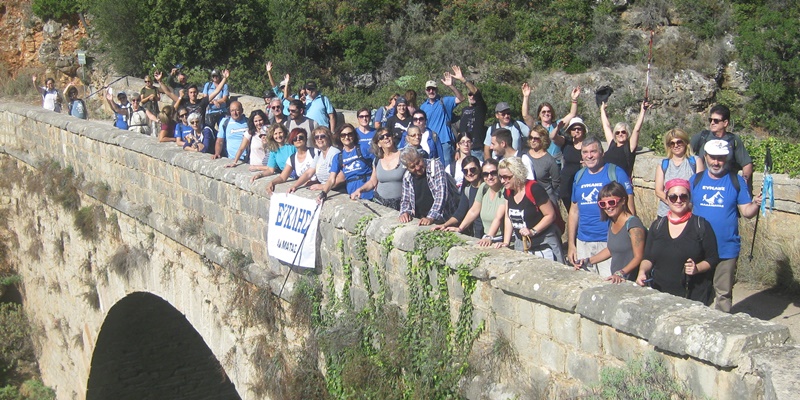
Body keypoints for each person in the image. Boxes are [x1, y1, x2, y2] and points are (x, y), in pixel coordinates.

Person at [691, 139, 761, 312]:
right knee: (698, 292)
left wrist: (757, 203)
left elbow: (746, 211)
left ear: (727, 158)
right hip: (699, 246)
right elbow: (685, 208)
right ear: (705, 157)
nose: (716, 162)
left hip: (726, 246)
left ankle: (721, 330)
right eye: (713, 157)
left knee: (723, 293)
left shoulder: (736, 181)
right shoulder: (695, 180)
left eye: (720, 158)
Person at [637, 179, 719, 305]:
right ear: (667, 199)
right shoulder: (657, 226)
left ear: (689, 198)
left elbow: (712, 258)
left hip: (692, 297)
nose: (678, 200)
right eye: (673, 197)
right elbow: (648, 257)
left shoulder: (701, 225)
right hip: (660, 295)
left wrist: (697, 268)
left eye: (683, 196)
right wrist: (642, 272)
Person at [567, 137, 635, 278]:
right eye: (585, 152)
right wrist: (571, 244)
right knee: (585, 284)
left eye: (593, 151)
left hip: (608, 242)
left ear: (601, 153)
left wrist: (630, 239)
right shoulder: (579, 176)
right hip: (583, 241)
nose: (589, 156)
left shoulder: (616, 173)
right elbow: (574, 211)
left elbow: (630, 208)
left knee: (609, 284)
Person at [481, 157, 564, 263]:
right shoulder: (508, 191)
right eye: (501, 177)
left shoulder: (534, 189)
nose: (502, 181)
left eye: (506, 177)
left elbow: (550, 215)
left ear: (517, 174)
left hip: (543, 243)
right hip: (521, 244)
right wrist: (506, 242)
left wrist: (533, 231)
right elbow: (508, 217)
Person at [578, 182, 645, 283]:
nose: (608, 207)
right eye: (603, 204)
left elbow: (638, 256)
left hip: (631, 280)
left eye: (612, 202)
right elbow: (611, 249)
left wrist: (620, 273)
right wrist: (587, 261)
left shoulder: (633, 225)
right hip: (617, 280)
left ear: (623, 201)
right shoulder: (612, 221)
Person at [690, 104, 754, 194]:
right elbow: (686, 154)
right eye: (710, 120)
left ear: (725, 123)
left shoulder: (733, 140)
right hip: (703, 185)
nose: (712, 123)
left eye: (716, 121)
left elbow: (747, 164)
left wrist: (743, 183)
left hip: (725, 187)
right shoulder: (702, 136)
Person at [441, 158, 504, 240]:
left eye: (493, 173)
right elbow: (473, 211)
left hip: (499, 238)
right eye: (485, 174)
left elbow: (498, 217)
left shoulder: (505, 190)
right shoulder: (482, 187)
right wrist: (458, 228)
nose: (489, 177)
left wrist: (489, 237)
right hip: (485, 236)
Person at [522, 83, 581, 168]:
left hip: (556, 164)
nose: (546, 114)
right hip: (539, 164)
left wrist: (574, 99)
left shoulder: (558, 124)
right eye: (543, 112)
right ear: (539, 114)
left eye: (548, 111)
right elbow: (525, 115)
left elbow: (572, 114)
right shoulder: (536, 127)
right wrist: (526, 97)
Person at [419, 65, 467, 167]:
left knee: (447, 168)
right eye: (429, 89)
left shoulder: (444, 101)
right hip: (430, 141)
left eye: (433, 89)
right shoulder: (423, 107)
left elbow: (461, 98)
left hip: (445, 141)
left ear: (436, 90)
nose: (431, 91)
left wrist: (451, 86)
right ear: (426, 91)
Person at [398, 147, 459, 226]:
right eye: (412, 167)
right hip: (420, 218)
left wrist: (431, 217)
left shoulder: (435, 166)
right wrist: (404, 212)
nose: (417, 168)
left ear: (421, 157)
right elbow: (405, 199)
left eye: (418, 162)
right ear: (407, 168)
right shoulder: (407, 177)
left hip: (443, 218)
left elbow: (441, 194)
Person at [351, 128, 405, 210]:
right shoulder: (377, 160)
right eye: (381, 137)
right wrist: (360, 190)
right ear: (378, 144)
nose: (386, 137)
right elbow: (372, 182)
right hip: (380, 203)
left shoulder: (404, 156)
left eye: (388, 135)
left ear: (392, 138)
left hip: (401, 205)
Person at [655, 128, 704, 217]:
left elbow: (699, 188)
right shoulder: (663, 164)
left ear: (685, 143)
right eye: (672, 143)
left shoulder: (695, 162)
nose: (676, 145)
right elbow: (658, 191)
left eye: (679, 142)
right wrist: (674, 204)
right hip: (665, 214)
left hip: (688, 213)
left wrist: (685, 206)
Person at [318, 124, 374, 201]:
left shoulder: (363, 148)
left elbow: (377, 164)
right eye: (343, 135)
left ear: (354, 135)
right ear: (339, 137)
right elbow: (331, 179)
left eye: (349, 134)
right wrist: (323, 193)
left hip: (369, 193)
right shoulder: (338, 157)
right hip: (352, 194)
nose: (346, 137)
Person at [600, 100, 648, 178]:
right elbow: (606, 126)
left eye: (623, 132)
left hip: (621, 184)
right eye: (617, 132)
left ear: (627, 133)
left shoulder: (629, 147)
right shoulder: (612, 144)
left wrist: (643, 110)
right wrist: (602, 110)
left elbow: (637, 129)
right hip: (606, 181)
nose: (620, 134)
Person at [553, 117, 589, 212]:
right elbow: (553, 137)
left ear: (583, 130)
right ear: (570, 131)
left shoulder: (588, 145)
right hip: (566, 183)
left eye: (579, 128)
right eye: (573, 129)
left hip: (582, 181)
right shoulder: (566, 143)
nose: (576, 131)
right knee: (571, 211)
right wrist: (557, 128)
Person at [290, 126, 341, 193]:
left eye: (322, 136)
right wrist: (295, 186)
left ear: (328, 138)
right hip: (326, 188)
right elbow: (309, 173)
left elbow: (341, 178)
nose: (319, 139)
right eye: (316, 137)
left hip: (336, 189)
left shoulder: (334, 153)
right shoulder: (319, 154)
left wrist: (322, 186)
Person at [266, 128, 317, 194]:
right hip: (306, 189)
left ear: (306, 139)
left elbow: (313, 173)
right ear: (292, 141)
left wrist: (295, 185)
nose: (298, 139)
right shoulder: (292, 158)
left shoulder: (315, 152)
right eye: (295, 138)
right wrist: (272, 183)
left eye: (301, 137)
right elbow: (282, 177)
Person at [521, 126, 560, 207]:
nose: (532, 140)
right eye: (531, 137)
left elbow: (556, 182)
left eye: (536, 138)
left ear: (543, 139)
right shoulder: (524, 155)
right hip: (528, 198)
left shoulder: (550, 161)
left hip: (546, 199)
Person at [458, 80, 487, 160]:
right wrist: (457, 150)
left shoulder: (481, 108)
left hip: (476, 149)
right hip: (463, 149)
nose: (472, 97)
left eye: (473, 95)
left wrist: (463, 80)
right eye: (470, 95)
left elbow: (477, 93)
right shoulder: (464, 110)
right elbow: (461, 131)